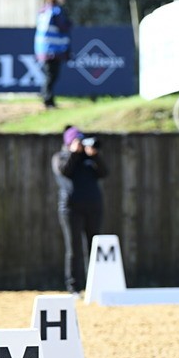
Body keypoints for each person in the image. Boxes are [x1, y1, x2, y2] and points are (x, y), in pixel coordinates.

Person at [52, 126, 109, 294]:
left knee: (94, 246)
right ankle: (74, 287)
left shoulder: (89, 158)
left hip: (93, 207)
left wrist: (96, 156)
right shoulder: (60, 157)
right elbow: (65, 171)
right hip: (71, 209)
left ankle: (95, 285)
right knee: (74, 248)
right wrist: (73, 153)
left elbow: (104, 173)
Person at [34, 0, 72, 108]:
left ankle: (47, 97)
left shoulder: (43, 10)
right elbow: (64, 26)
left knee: (50, 75)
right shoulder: (56, 11)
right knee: (51, 76)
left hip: (43, 49)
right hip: (52, 50)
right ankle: (48, 100)